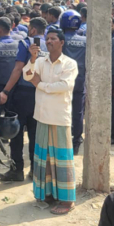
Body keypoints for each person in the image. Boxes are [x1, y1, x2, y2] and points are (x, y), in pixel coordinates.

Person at [22, 27, 77, 214]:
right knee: (44, 157)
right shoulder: (39, 61)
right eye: (47, 38)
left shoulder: (69, 63)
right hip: (42, 115)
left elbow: (64, 85)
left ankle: (67, 200)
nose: (49, 41)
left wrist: (40, 85)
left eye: (53, 38)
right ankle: (47, 193)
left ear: (62, 42)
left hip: (60, 116)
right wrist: (31, 58)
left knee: (61, 158)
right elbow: (27, 75)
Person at [0, 17, 48, 181]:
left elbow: (18, 69)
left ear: (32, 30)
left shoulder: (25, 44)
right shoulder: (49, 45)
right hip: (41, 94)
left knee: (17, 133)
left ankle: (17, 170)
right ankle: (34, 170)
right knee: (35, 134)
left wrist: (5, 90)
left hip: (23, 94)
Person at [59, 11, 87, 155]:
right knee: (78, 112)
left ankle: (62, 140)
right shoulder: (85, 40)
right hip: (80, 80)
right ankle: (76, 141)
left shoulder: (60, 40)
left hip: (62, 81)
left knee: (62, 109)